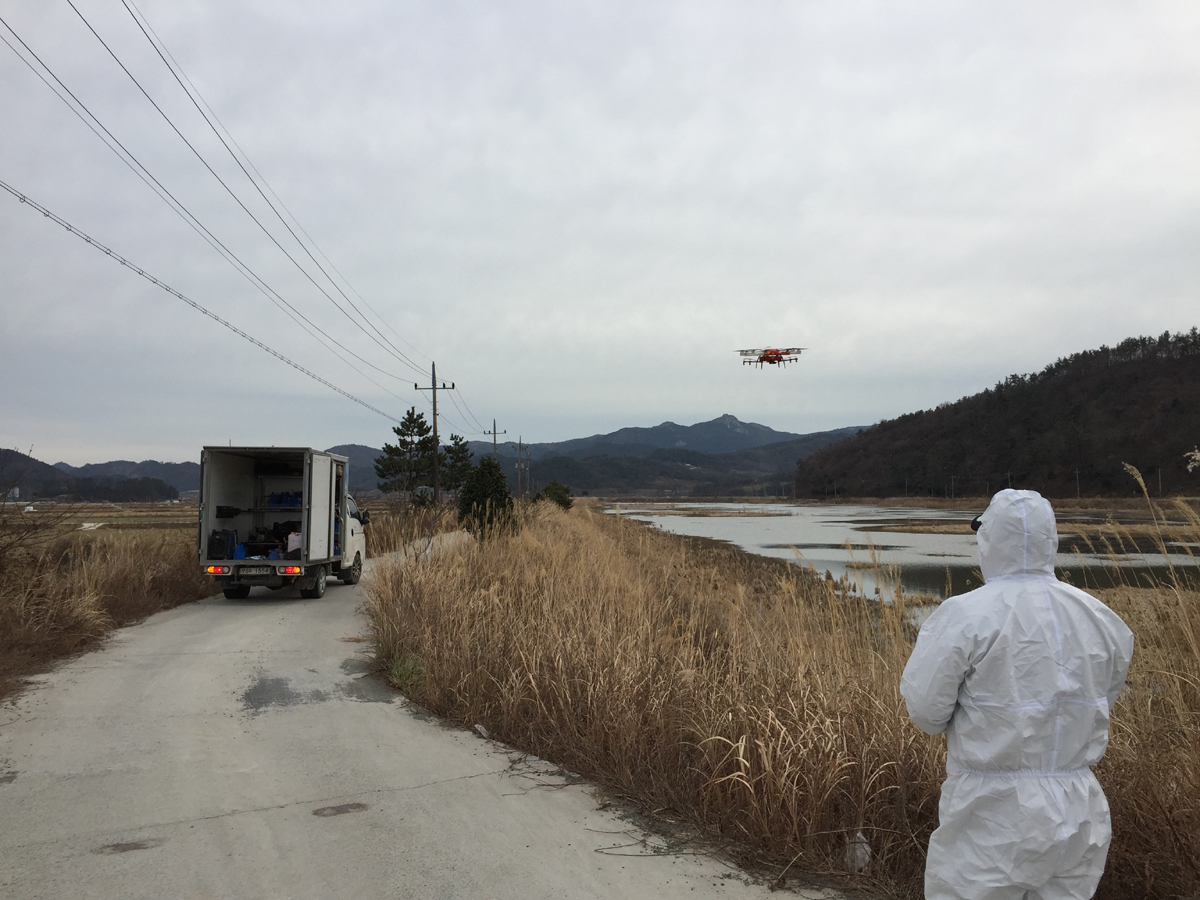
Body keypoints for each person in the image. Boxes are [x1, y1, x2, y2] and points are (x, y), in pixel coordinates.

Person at [900, 489, 1134, 900]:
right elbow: (1101, 702)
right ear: (1050, 540)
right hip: (1078, 806)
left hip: (991, 810)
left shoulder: (964, 615)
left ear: (988, 540)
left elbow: (926, 712)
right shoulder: (1101, 618)